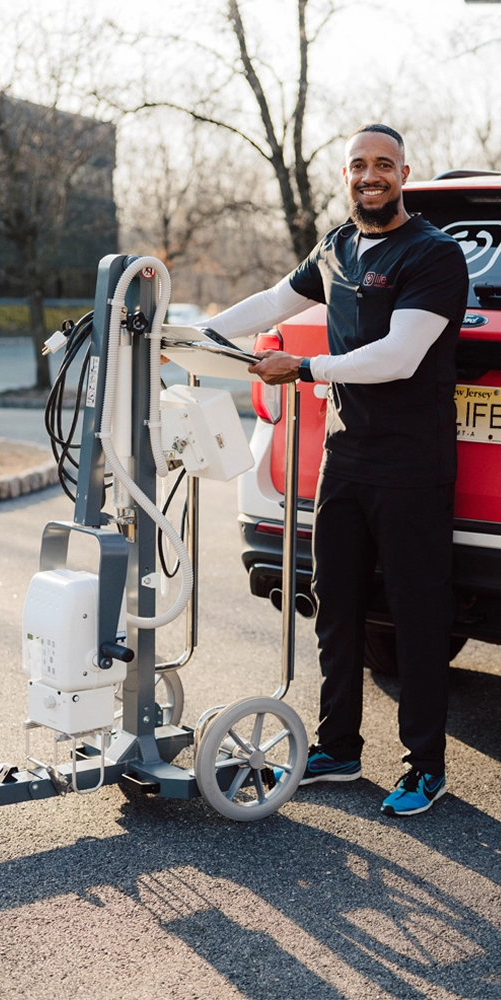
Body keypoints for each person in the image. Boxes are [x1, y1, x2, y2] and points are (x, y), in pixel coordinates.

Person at [206, 123, 469, 817]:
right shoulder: (337, 246)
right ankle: (338, 749)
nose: (370, 176)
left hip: (411, 463)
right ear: (346, 174)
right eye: (358, 165)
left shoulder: (435, 255)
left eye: (383, 165)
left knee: (416, 614)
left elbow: (398, 356)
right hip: (345, 459)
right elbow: (271, 303)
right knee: (337, 604)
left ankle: (425, 767)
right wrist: (199, 335)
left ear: (404, 173)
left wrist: (307, 367)